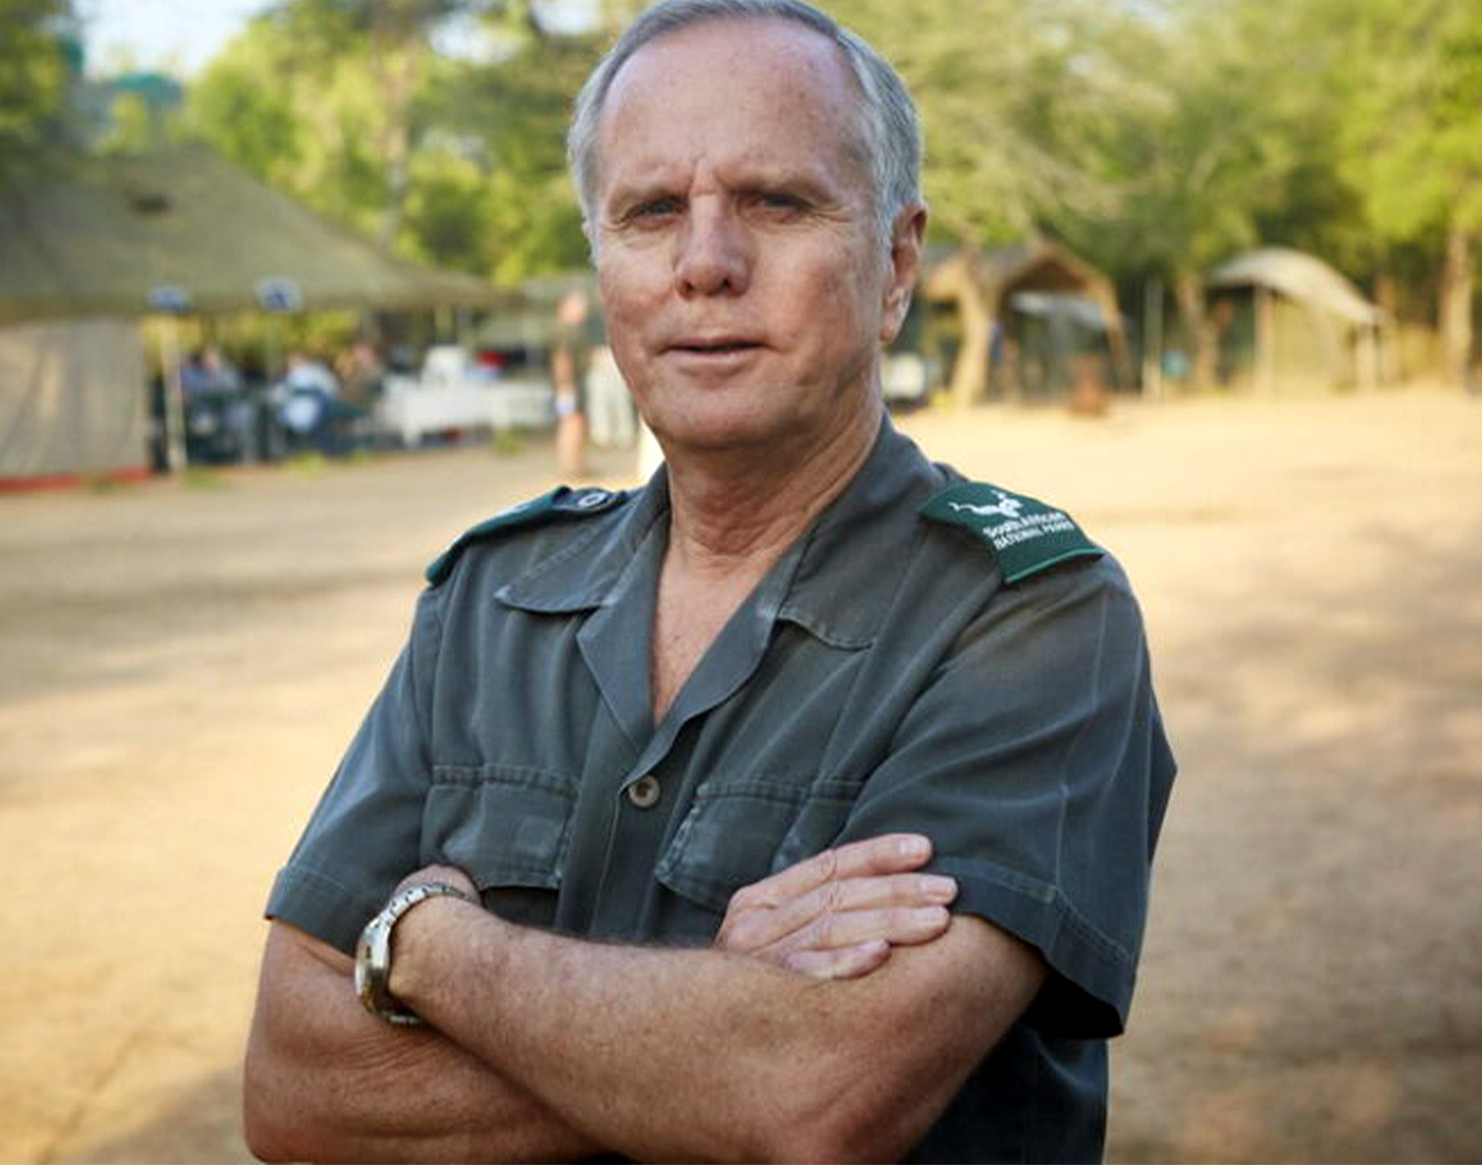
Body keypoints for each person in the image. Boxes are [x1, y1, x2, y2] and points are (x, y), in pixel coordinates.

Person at [244, 2, 1176, 1161]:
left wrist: (428, 943)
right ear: (603, 261)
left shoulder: (1030, 617)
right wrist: (714, 1020)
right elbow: (291, 1089)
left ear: (893, 261)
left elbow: (814, 1096)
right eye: (648, 213)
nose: (705, 264)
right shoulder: (490, 602)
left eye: (776, 203)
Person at [552, 287, 593, 476]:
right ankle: (571, 466)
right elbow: (562, 359)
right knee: (572, 424)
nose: (583, 308)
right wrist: (566, 388)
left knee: (576, 423)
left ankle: (576, 464)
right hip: (570, 386)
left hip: (573, 384)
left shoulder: (571, 329)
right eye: (577, 304)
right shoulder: (565, 330)